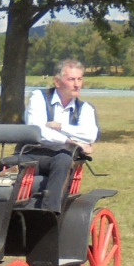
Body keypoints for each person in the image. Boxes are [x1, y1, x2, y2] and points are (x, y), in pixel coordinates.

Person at [24, 59, 99, 213]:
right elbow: (37, 130)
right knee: (10, 164)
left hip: (61, 157)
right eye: (71, 79)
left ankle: (49, 214)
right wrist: (70, 140)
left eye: (80, 79)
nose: (77, 84)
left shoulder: (85, 108)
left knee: (63, 159)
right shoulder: (39, 97)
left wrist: (61, 126)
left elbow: (90, 134)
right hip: (32, 152)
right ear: (57, 82)